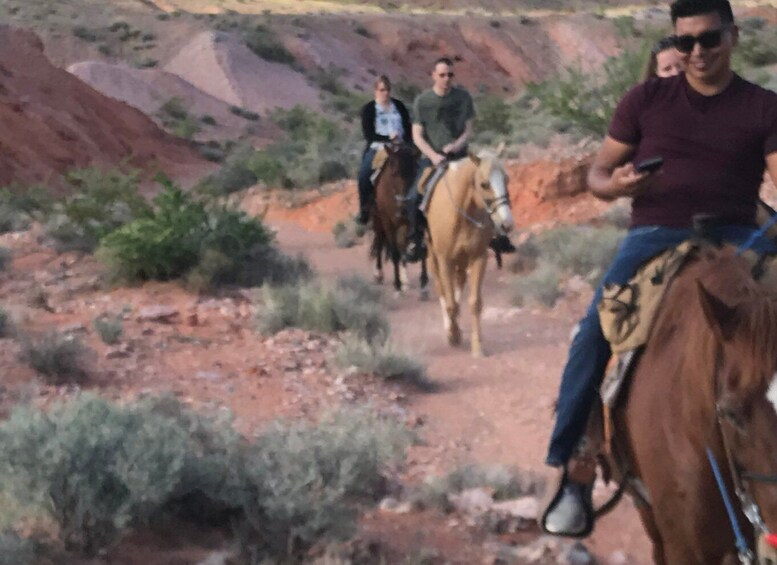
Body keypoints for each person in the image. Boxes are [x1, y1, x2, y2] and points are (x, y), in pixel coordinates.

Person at [542, 0, 777, 537]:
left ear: (733, 38)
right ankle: (573, 471)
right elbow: (598, 175)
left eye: (709, 40)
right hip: (655, 234)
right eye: (685, 42)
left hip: (738, 236)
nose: (697, 53)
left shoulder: (764, 107)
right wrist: (618, 185)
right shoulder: (645, 101)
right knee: (592, 334)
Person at [404, 57, 515, 262]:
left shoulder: (462, 97)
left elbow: (468, 129)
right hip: (433, 158)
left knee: (490, 186)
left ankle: (499, 234)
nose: (447, 78)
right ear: (434, 76)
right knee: (413, 197)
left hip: (461, 157)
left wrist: (456, 146)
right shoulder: (423, 101)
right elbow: (417, 135)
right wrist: (434, 155)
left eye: (450, 75)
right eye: (442, 75)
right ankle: (416, 240)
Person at [356, 75, 413, 225]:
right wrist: (388, 138)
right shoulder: (369, 109)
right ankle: (364, 210)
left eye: (387, 90)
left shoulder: (399, 106)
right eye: (382, 90)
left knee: (418, 170)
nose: (385, 93)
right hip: (379, 147)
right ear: (375, 91)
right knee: (363, 175)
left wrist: (407, 141)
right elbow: (369, 134)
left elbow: (408, 128)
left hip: (401, 147)